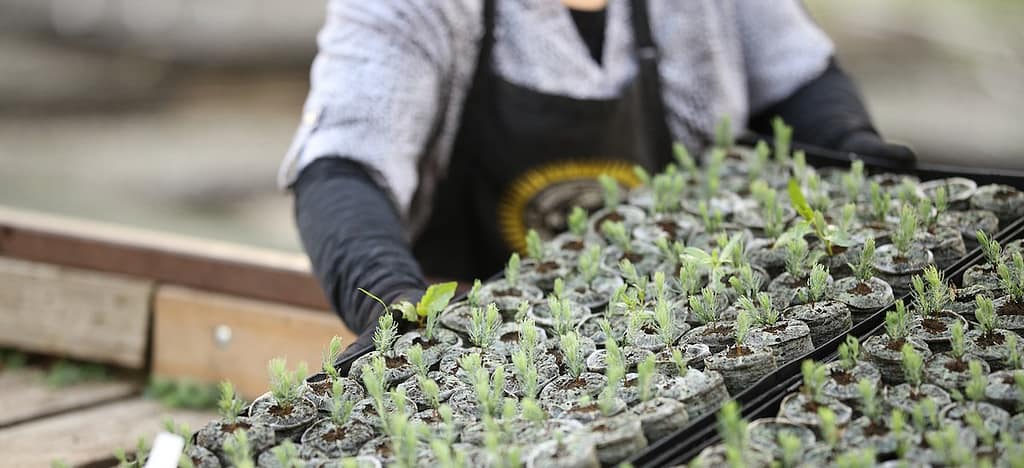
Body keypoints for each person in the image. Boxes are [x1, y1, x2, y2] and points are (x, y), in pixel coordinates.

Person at [279, 0, 914, 361]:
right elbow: (341, 166)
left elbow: (799, 79)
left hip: (695, 331)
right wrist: (393, 301)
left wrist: (848, 142)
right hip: (481, 352)